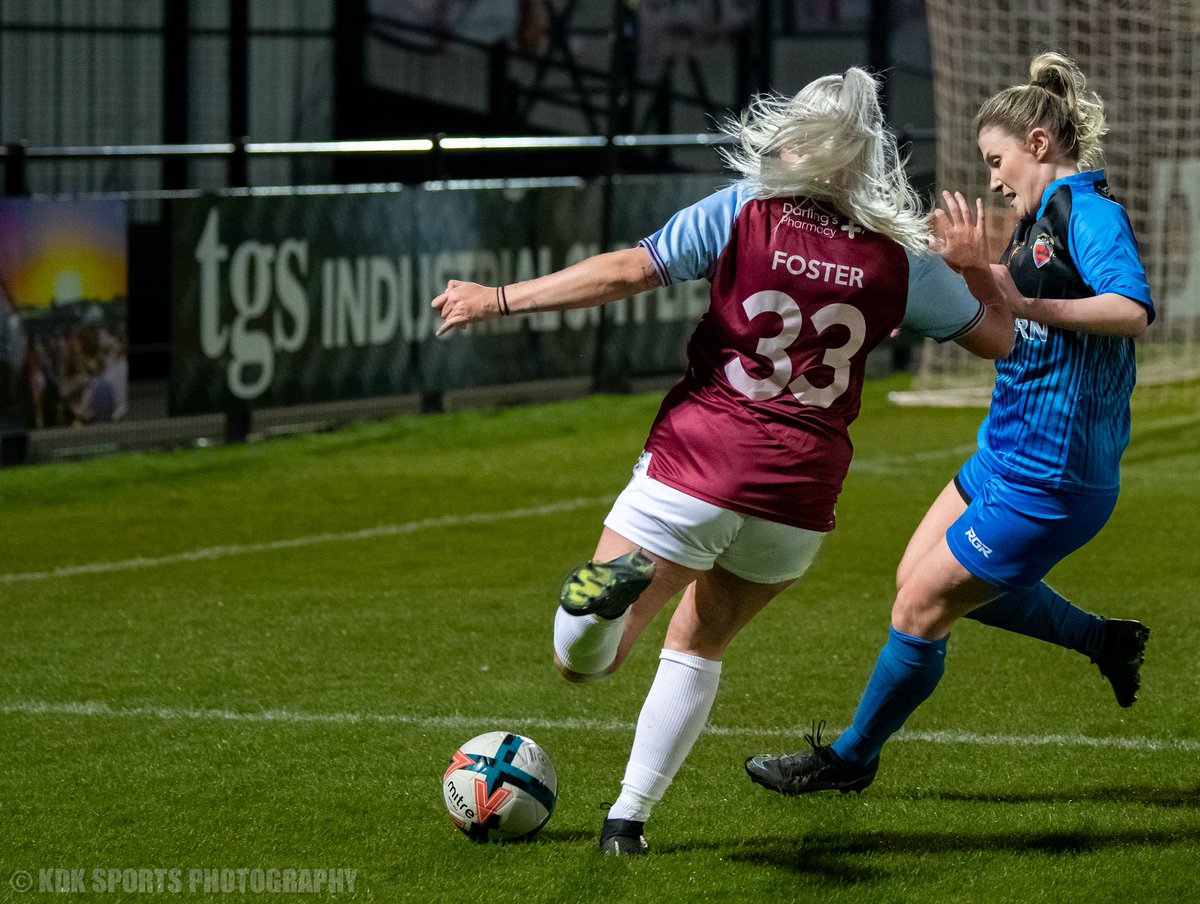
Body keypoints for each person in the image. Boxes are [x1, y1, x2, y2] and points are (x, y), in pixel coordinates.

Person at [433, 68, 1014, 853]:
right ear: (870, 156)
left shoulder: (746, 210)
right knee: (699, 644)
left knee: (584, 665)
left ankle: (592, 612)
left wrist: (498, 298)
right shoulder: (902, 258)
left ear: (795, 138)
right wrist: (977, 264)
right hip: (799, 495)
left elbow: (627, 270)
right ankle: (626, 824)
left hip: (698, 462)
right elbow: (997, 342)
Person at [745, 51, 1153, 798]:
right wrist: (940, 291)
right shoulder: (1037, 221)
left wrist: (1016, 298)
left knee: (921, 606)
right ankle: (1104, 639)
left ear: (1038, 144)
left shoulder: (1089, 214)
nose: (993, 178)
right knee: (915, 582)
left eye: (997, 160)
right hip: (1007, 452)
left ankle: (850, 759)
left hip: (1054, 476)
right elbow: (1002, 314)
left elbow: (1129, 311)